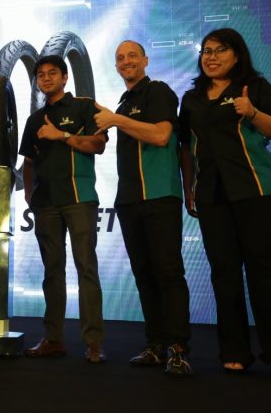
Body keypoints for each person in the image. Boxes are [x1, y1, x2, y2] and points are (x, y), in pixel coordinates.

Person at [179, 28, 271, 378]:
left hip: (256, 191)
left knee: (264, 271)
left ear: (236, 55)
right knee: (224, 274)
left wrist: (252, 112)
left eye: (220, 50)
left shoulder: (255, 88)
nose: (211, 57)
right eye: (206, 51)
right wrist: (189, 188)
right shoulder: (192, 98)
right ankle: (234, 352)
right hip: (211, 195)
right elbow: (185, 147)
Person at [94, 40, 192, 376]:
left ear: (145, 60)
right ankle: (156, 345)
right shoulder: (123, 103)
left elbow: (162, 136)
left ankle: (178, 350)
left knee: (168, 273)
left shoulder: (158, 91)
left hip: (160, 196)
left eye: (132, 55)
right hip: (129, 201)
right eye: (120, 58)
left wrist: (116, 120)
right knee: (145, 276)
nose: (126, 61)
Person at [19, 55, 108, 363]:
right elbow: (28, 163)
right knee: (52, 273)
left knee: (87, 269)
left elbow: (98, 145)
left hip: (79, 198)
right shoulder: (34, 119)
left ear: (65, 77)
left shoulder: (84, 106)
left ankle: (94, 343)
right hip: (45, 204)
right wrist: (29, 195)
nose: (46, 78)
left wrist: (62, 135)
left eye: (52, 73)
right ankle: (53, 339)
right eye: (41, 75)